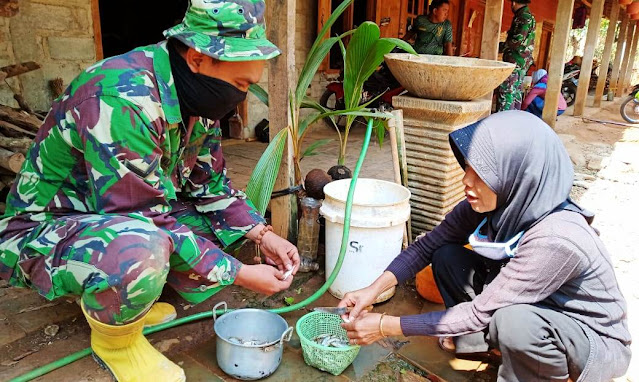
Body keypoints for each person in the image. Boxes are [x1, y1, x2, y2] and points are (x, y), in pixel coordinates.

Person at [0, 1, 300, 381]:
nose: (242, 96)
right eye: (241, 84)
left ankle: (122, 301)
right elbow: (142, 215)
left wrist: (263, 234)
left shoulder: (196, 98)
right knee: (142, 248)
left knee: (211, 231)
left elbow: (209, 185)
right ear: (197, 58)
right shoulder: (121, 98)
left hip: (105, 215)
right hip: (40, 230)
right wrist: (238, 273)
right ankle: (116, 342)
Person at [338, 111, 631, 381]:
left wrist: (383, 326)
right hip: (530, 304)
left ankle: (539, 369)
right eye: (467, 168)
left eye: (482, 175)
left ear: (519, 175)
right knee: (446, 256)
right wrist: (371, 291)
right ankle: (481, 344)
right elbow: (428, 245)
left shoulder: (557, 237)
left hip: (586, 338)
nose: (467, 181)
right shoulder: (496, 203)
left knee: (515, 323)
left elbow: (480, 312)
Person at [496, 0, 536, 111]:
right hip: (522, 62)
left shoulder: (522, 17)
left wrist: (499, 47)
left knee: (507, 92)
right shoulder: (529, 16)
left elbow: (516, 40)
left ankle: (503, 122)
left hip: (515, 61)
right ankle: (513, 120)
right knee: (516, 92)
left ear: (513, 2)